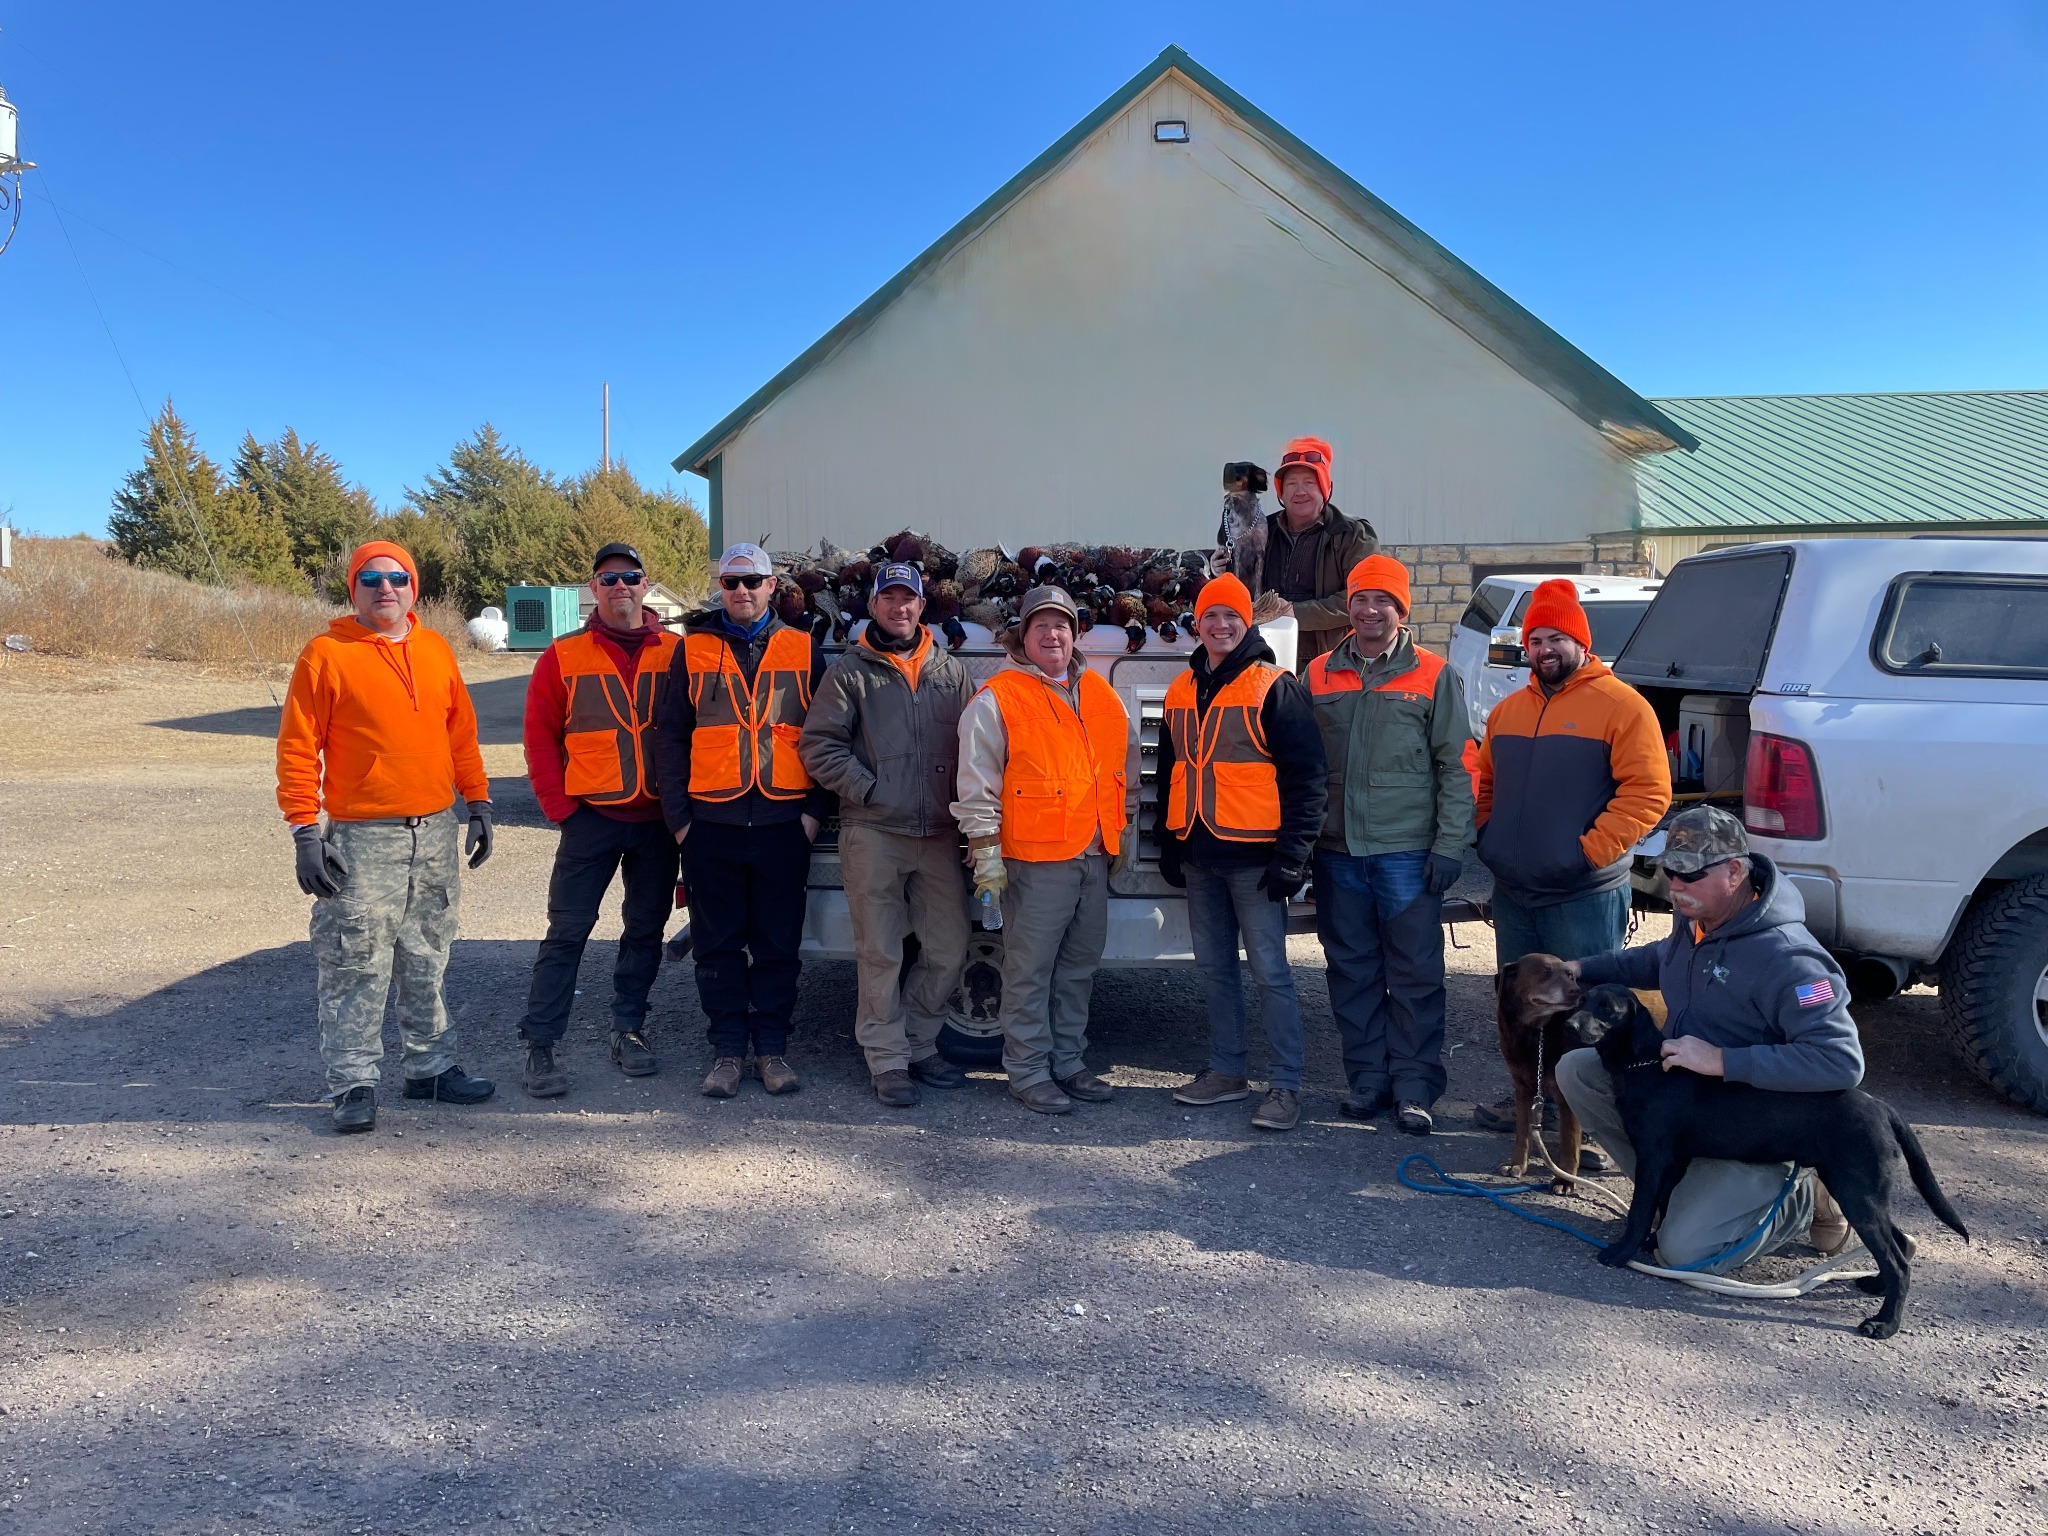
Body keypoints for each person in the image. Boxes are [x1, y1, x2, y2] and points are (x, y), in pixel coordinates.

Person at [1556, 806, 1863, 1270]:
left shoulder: (1791, 960)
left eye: (1689, 874)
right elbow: (1659, 960)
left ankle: (1801, 1199)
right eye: (1669, 872)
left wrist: (1722, 1060)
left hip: (1756, 1133)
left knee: (1683, 1252)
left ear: (1735, 872)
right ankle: (1673, 1193)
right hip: (1692, 1105)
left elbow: (1840, 1062)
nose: (1675, 886)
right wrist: (1578, 969)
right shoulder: (1697, 920)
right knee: (1579, 1071)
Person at [276, 539, 496, 1134]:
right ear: (354, 588)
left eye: (397, 578)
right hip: (362, 837)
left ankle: (431, 1067)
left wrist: (477, 802)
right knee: (356, 960)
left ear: (413, 587)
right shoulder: (325, 655)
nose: (385, 588)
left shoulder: (436, 650)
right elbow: (298, 748)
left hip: (435, 831)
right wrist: (304, 831)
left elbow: (461, 735)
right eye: (370, 579)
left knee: (428, 952)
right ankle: (353, 1082)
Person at [1470, 578, 1671, 1139]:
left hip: (1582, 893)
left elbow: (1649, 793)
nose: (1545, 650)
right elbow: (1487, 783)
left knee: (1588, 1013)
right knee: (1525, 1005)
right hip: (1516, 893)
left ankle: (1594, 1124)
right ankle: (1530, 1100)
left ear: (1582, 643)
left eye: (1557, 638)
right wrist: (1488, 836)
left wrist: (1586, 853)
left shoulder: (1622, 706)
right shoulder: (1508, 711)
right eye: (1536, 640)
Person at [1304, 554, 1474, 1134]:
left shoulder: (1433, 674)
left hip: (1406, 851)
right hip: (1338, 852)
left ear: (1402, 609)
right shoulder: (1318, 674)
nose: (1370, 610)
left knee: (1414, 974)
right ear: (1348, 606)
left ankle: (1414, 1087)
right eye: (1360, 599)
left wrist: (1450, 844)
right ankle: (1367, 1081)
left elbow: (1458, 765)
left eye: (1383, 601)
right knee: (1351, 971)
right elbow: (1302, 766)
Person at [656, 543, 832, 1098]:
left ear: (772, 586)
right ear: (721, 588)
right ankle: (727, 1052)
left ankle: (772, 1051)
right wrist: (681, 821)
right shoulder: (692, 650)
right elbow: (671, 738)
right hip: (711, 826)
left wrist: (812, 814)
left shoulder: (803, 648)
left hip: (783, 824)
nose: (742, 591)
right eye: (731, 582)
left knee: (778, 946)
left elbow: (829, 737)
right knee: (717, 947)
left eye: (752, 581)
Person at [1153, 573, 1327, 1132]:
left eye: (1231, 615)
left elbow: (1308, 779)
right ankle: (1227, 1072)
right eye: (1211, 615)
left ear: (1247, 623)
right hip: (1199, 854)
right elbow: (1171, 771)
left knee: (1271, 973)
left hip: (1257, 861)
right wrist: (1168, 844)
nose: (1221, 625)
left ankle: (1286, 1086)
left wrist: (1293, 858)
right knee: (1214, 969)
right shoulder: (1181, 689)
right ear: (1197, 624)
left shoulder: (1274, 686)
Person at [799, 563, 974, 1108]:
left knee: (949, 948)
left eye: (909, 598)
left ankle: (919, 1043)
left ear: (922, 606)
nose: (900, 607)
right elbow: (818, 745)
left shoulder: (951, 673)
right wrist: (870, 791)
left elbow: (977, 747)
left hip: (939, 834)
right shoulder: (849, 672)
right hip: (873, 831)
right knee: (880, 953)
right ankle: (888, 1060)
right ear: (873, 605)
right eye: (889, 598)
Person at [953, 585, 1130, 1115]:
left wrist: (1118, 833)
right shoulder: (997, 698)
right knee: (1029, 972)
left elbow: (1121, 773)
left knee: (1078, 969)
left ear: (1075, 634)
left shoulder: (1101, 693)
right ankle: (1028, 1071)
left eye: (1061, 625)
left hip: (1093, 856)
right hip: (1034, 862)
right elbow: (977, 781)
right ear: (1022, 637)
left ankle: (1069, 1062)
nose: (1052, 635)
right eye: (1041, 626)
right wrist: (986, 850)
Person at [515, 542, 681, 1098]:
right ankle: (541, 1044)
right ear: (593, 589)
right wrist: (560, 809)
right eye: (608, 579)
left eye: (630, 577)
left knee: (645, 930)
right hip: (590, 818)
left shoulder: (678, 652)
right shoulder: (562, 656)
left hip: (657, 822)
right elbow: (540, 738)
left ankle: (628, 1028)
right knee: (567, 932)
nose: (620, 587)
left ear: (646, 585)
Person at [1248, 435, 1379, 666]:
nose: (1300, 491)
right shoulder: (1260, 531)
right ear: (1280, 493)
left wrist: (1295, 612)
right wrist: (1221, 567)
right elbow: (1244, 585)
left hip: (1334, 662)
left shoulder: (1352, 534)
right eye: (1291, 483)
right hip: (1268, 659)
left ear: (1326, 488)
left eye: (1309, 482)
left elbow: (1363, 597)